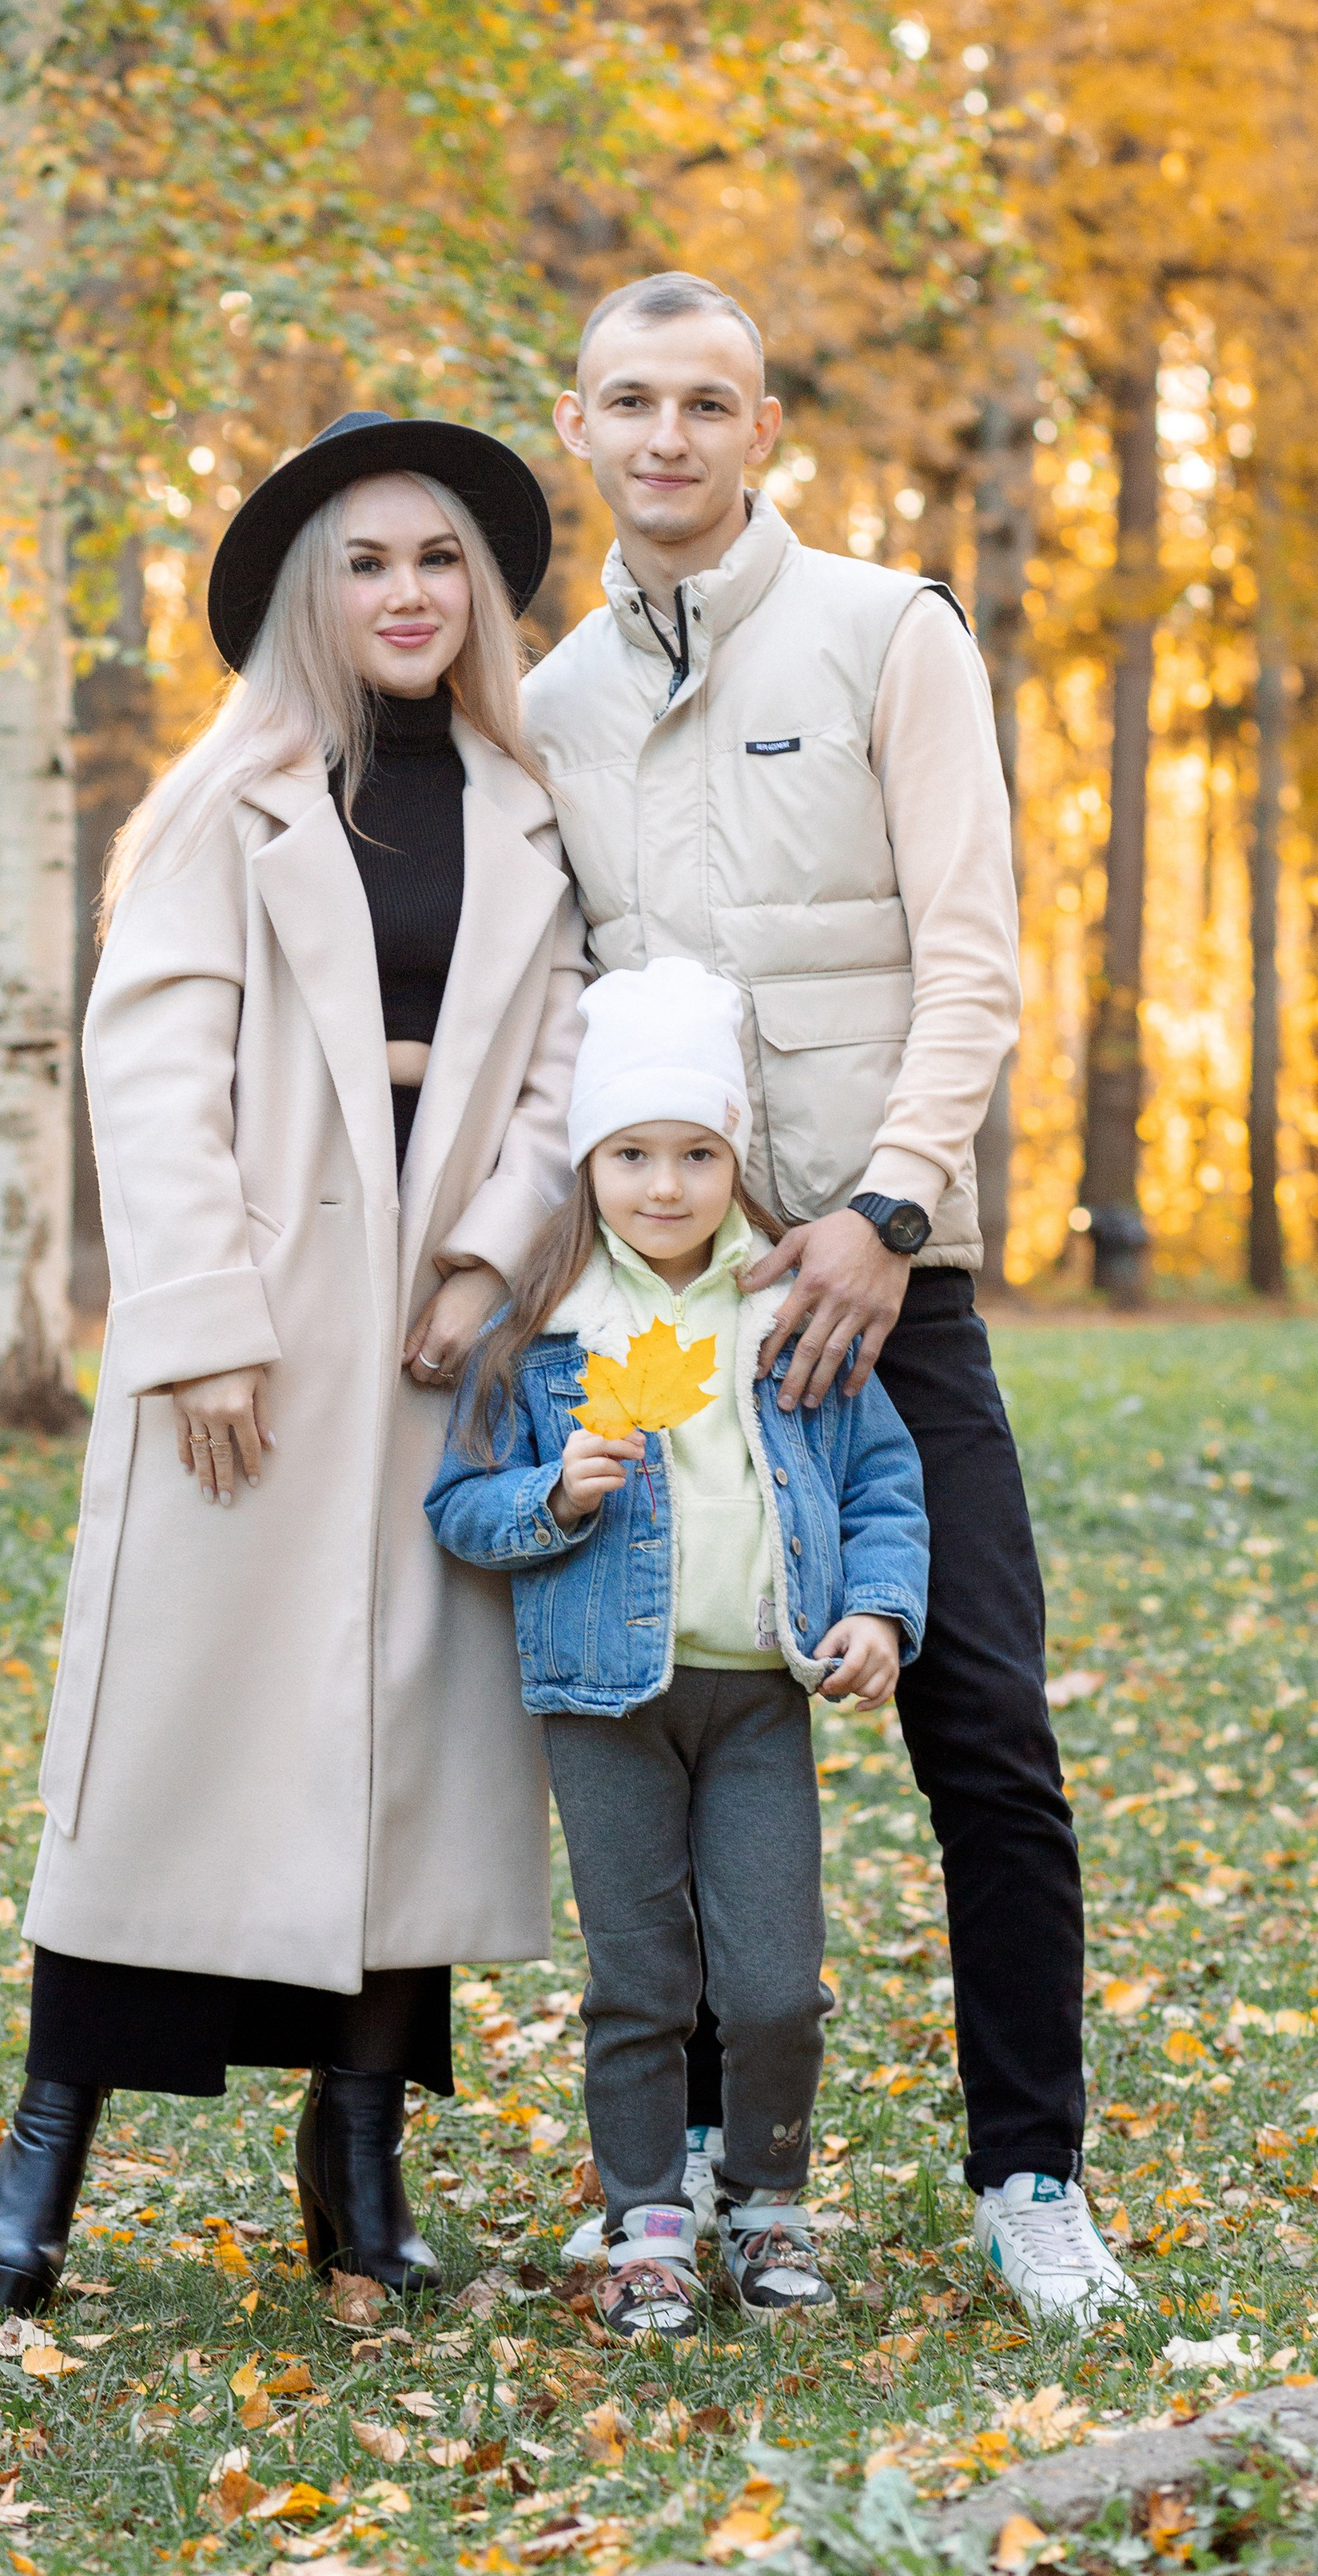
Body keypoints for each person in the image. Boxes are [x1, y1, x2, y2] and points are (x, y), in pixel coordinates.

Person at [522, 273, 1139, 2324]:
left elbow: (971, 958)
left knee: (982, 1733)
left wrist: (884, 1207)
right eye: (631, 402)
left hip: (886, 1285)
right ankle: (692, 2162)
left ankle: (1028, 2174)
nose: (668, 438)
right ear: (581, 427)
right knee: (676, 1714)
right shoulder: (551, 709)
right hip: (663, 1308)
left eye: (706, 402)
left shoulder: (891, 632)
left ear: (763, 426)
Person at [0, 409, 586, 2316]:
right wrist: (201, 1328)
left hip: (435, 1339)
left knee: (410, 1741)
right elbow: (148, 1082)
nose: (405, 591)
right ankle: (43, 2157)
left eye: (438, 560)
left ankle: (359, 2165)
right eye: (365, 561)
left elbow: (569, 1064)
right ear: (312, 594)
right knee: (163, 1742)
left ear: (476, 592)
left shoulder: (531, 807)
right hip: (254, 1332)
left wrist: (495, 1260)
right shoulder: (227, 802)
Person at [427, 959, 930, 2339]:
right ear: (589, 1166)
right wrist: (554, 1496)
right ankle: (644, 2217)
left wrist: (880, 1610)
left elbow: (883, 1484)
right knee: (640, 1980)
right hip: (606, 1703)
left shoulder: (784, 1322)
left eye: (697, 1153)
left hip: (760, 1693)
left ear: (734, 1161)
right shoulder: (544, 1343)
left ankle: (765, 2203)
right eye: (632, 1154)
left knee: (773, 1982)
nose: (665, 1186)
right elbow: (457, 1508)